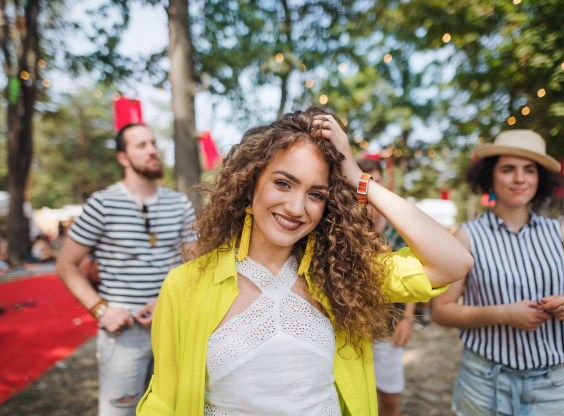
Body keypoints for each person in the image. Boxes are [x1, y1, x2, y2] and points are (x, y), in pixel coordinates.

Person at [136, 107, 473, 416]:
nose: (297, 208)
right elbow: (163, 402)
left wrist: (358, 177)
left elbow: (453, 262)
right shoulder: (184, 285)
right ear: (250, 186)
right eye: (283, 183)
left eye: (316, 194)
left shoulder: (346, 277)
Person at [432, 130, 564, 416]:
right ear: (490, 176)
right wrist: (504, 314)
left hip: (550, 386)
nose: (520, 179)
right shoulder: (468, 236)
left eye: (529, 170)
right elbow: (441, 311)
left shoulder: (563, 236)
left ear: (540, 178)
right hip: (484, 382)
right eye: (508, 169)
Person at [56, 124, 196, 416]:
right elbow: (66, 264)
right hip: (123, 334)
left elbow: (194, 266)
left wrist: (169, 303)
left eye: (153, 143)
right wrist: (100, 310)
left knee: (171, 410)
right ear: (123, 157)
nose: (152, 150)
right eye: (141, 145)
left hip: (172, 328)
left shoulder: (180, 203)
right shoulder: (102, 204)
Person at [357, 157, 414, 416]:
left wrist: (407, 318)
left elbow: (415, 274)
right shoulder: (346, 228)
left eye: (375, 182)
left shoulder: (398, 228)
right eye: (362, 183)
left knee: (389, 398)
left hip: (388, 327)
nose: (369, 190)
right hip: (351, 329)